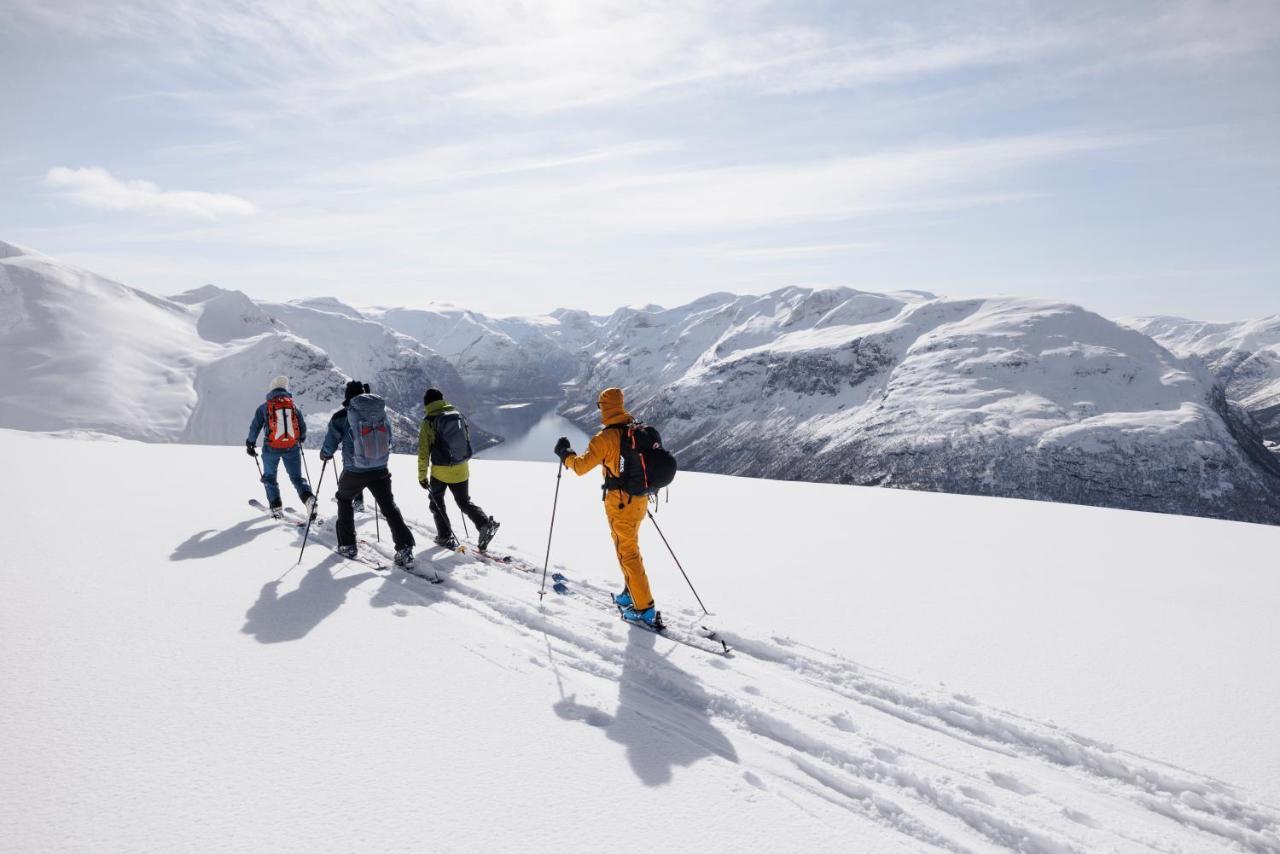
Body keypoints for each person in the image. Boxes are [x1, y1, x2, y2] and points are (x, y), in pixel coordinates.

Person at [554, 387, 659, 628]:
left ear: (604, 407)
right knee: (626, 548)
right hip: (639, 500)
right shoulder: (635, 429)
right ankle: (630, 592)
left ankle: (645, 609)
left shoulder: (606, 438)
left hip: (621, 504)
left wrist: (565, 454)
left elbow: (580, 467)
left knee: (628, 552)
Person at [320, 380, 415, 566]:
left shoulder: (341, 416)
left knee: (344, 499)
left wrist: (325, 454)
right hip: (380, 467)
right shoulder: (380, 413)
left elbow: (330, 442)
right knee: (388, 506)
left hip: (355, 470)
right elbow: (389, 435)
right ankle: (404, 548)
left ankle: (348, 545)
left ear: (347, 398)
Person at [418, 388, 499, 551]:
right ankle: (484, 524)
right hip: (462, 468)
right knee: (464, 502)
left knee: (436, 502)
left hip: (440, 471)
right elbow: (466, 440)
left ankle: (444, 536)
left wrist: (422, 475)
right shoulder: (456, 414)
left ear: (427, 403)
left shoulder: (429, 421)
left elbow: (423, 451)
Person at [246, 375, 315, 519]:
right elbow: (302, 426)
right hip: (292, 447)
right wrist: (300, 439)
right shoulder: (293, 407)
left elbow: (255, 427)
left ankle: (276, 506)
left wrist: (250, 444)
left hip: (271, 448)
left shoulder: (264, 407)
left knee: (270, 477)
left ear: (271, 390)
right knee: (296, 478)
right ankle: (309, 499)